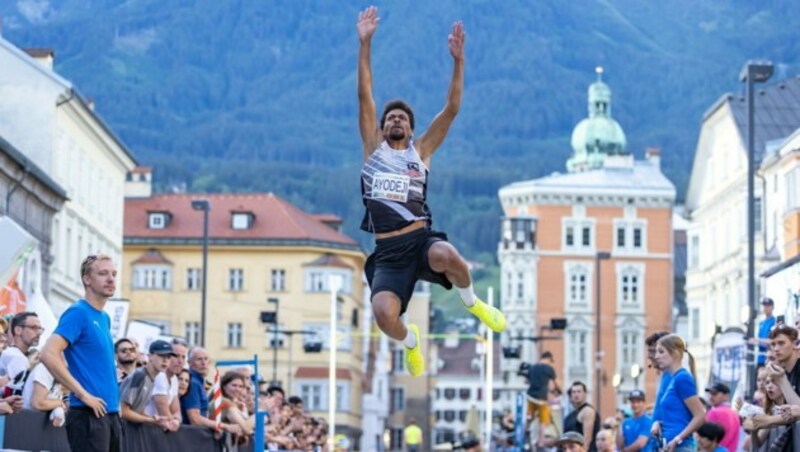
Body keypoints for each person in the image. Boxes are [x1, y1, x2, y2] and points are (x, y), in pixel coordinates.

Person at [356, 6, 506, 377]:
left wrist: (458, 61)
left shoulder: (420, 152)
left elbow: (452, 109)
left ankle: (473, 303)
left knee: (450, 256)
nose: (395, 120)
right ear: (381, 126)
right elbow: (364, 94)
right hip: (388, 253)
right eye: (390, 117)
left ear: (410, 130)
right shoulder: (372, 151)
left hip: (420, 240)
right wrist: (365, 43)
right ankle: (411, 342)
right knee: (383, 315)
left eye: (402, 119)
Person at [40, 254, 122, 452]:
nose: (111, 279)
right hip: (87, 414)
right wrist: (83, 394)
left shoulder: (104, 318)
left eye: (113, 274)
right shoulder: (78, 312)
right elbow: (48, 353)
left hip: (109, 413)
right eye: (103, 273)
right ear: (87, 279)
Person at [650, 334, 705, 452]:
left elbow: (700, 415)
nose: (656, 356)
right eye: (656, 352)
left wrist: (678, 439)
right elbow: (679, 416)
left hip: (681, 447)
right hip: (670, 445)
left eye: (661, 352)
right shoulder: (673, 379)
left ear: (674, 353)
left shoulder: (682, 378)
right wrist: (659, 423)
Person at [181, 346, 240, 434]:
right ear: (190, 363)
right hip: (191, 437)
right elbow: (194, 419)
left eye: (206, 359)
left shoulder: (200, 381)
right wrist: (224, 426)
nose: (204, 363)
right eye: (199, 359)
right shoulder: (193, 383)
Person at [119, 339, 173, 427]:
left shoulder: (152, 378)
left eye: (168, 357)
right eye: (161, 355)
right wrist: (149, 420)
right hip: (120, 429)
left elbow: (138, 409)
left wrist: (154, 419)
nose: (165, 360)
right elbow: (123, 410)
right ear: (150, 356)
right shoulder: (139, 376)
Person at [0, 311, 43, 395]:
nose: (38, 333)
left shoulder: (17, 354)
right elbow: (23, 393)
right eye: (33, 328)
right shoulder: (16, 356)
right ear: (18, 330)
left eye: (40, 329)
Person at [524, 351, 559, 446]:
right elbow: (555, 384)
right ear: (549, 359)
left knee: (529, 417)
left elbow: (526, 381)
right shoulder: (549, 369)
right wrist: (558, 392)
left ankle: (525, 433)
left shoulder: (532, 367)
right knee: (543, 419)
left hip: (530, 396)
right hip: (542, 398)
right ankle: (541, 440)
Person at [21, 361, 65, 426]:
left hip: (38, 425)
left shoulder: (58, 376)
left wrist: (58, 410)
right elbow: (37, 404)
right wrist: (59, 403)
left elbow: (55, 404)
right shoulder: (45, 368)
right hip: (26, 422)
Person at [563, 381, 600, 451]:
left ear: (585, 394)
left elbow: (587, 439)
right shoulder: (571, 415)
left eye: (579, 392)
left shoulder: (588, 411)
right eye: (573, 392)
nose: (576, 394)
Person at [703, 382, 740, 452]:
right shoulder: (735, 414)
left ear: (726, 396)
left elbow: (705, 438)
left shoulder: (714, 413)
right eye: (710, 394)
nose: (711, 396)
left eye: (715, 394)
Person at [748, 297, 776, 367]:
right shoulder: (761, 323)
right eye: (764, 306)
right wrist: (752, 342)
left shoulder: (774, 322)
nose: (765, 308)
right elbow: (761, 342)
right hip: (759, 358)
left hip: (769, 359)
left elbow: (772, 341)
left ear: (772, 307)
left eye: (768, 306)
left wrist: (757, 339)